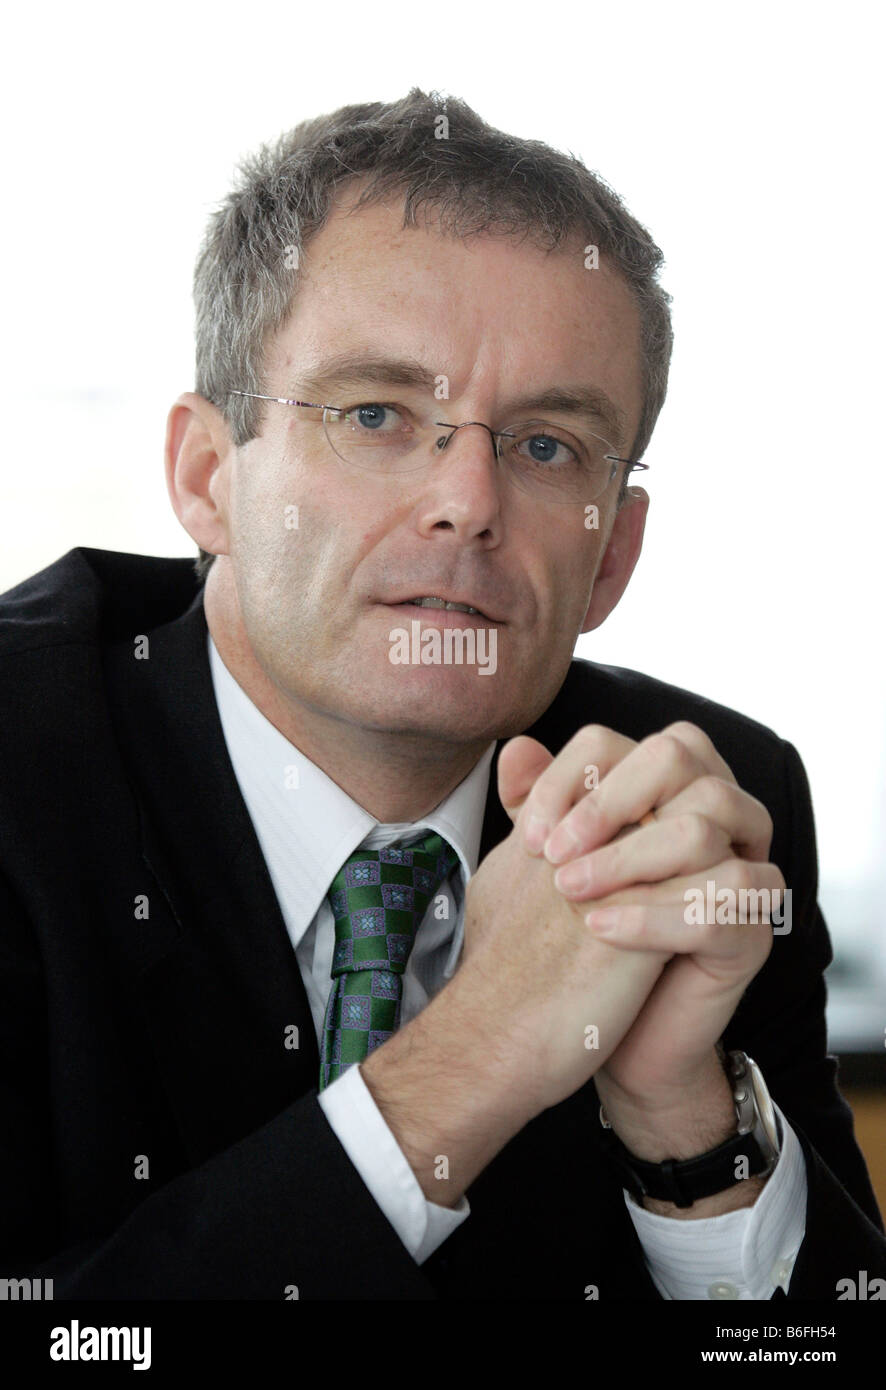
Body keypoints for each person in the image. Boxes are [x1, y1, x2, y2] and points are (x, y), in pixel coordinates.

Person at [1, 87, 883, 1302]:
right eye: (376, 413)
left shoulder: (699, 802)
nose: (468, 500)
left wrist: (683, 1122)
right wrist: (480, 1052)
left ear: (611, 555)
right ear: (209, 477)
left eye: (543, 446)